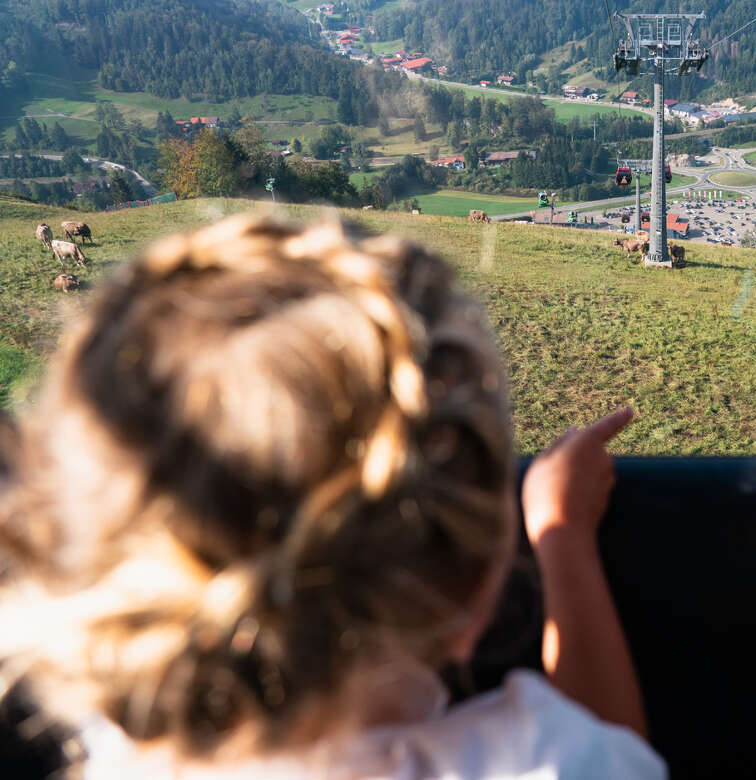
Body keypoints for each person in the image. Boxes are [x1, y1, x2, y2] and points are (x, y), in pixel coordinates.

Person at [0, 214, 665, 778]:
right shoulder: (536, 759)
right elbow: (621, 753)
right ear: (480, 589)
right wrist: (563, 538)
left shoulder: (110, 751)